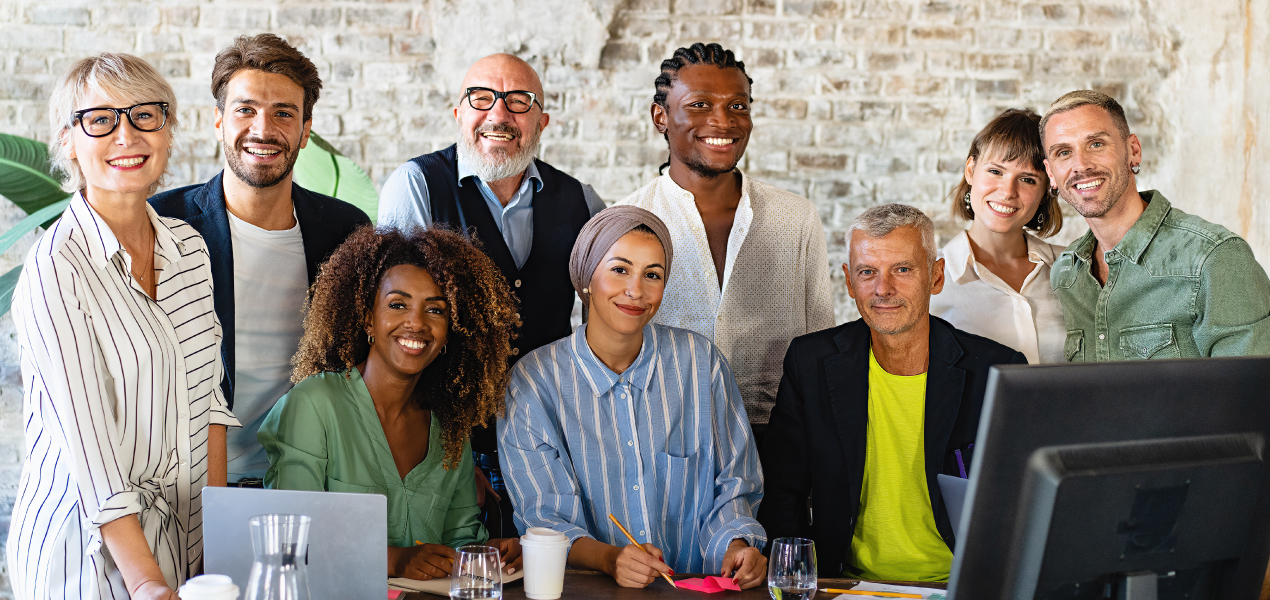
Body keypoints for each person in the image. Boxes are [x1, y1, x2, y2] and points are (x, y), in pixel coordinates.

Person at [8, 53, 239, 600]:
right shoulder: (56, 269)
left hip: (183, 543)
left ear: (168, 128)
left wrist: (215, 554)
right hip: (83, 554)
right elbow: (92, 453)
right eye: (100, 119)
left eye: (145, 115)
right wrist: (146, 583)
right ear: (68, 141)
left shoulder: (189, 248)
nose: (126, 135)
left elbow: (209, 407)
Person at [378, 52, 605, 537]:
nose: (499, 115)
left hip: (553, 443)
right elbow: (395, 333)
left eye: (518, 102)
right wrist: (448, 454)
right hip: (443, 439)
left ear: (542, 121)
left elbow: (600, 335)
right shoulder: (417, 186)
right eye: (481, 98)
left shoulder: (582, 201)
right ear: (458, 112)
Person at [499, 206, 768, 589]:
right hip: (584, 593)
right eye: (620, 269)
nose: (636, 291)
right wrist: (610, 560)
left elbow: (735, 484)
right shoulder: (532, 383)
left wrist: (737, 545)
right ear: (586, 278)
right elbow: (545, 519)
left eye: (652, 275)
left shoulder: (700, 364)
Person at [759, 204, 1026, 582]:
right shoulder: (810, 362)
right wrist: (799, 578)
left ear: (935, 276)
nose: (883, 289)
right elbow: (781, 491)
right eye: (868, 272)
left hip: (960, 585)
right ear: (850, 283)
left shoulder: (997, 370)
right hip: (847, 585)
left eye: (902, 270)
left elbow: (1021, 505)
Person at [150, 34, 369, 486]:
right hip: (183, 485)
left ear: (306, 131)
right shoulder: (164, 223)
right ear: (218, 121)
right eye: (245, 110)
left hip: (303, 480)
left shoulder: (345, 231)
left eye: (283, 113)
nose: (263, 129)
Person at [257, 225, 523, 580]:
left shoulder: (449, 430)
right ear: (367, 316)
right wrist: (393, 560)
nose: (416, 323)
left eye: (436, 310)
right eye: (397, 305)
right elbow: (289, 537)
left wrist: (490, 554)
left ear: (450, 330)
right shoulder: (313, 406)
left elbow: (459, 542)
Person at [617, 43, 835, 440]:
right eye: (700, 105)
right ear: (660, 116)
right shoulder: (626, 221)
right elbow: (607, 346)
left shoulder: (796, 218)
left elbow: (821, 343)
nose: (723, 121)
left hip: (779, 440)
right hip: (660, 434)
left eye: (738, 106)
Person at [1041, 90, 1270, 360]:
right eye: (1064, 152)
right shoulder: (1067, 273)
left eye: (1096, 144)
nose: (1081, 165)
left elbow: (1250, 393)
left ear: (1133, 151)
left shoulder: (1213, 258)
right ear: (1050, 173)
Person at [930, 108, 1067, 364]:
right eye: (996, 171)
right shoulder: (928, 281)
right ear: (970, 170)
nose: (1007, 192)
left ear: (1047, 189)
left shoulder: (1073, 269)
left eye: (1027, 179)